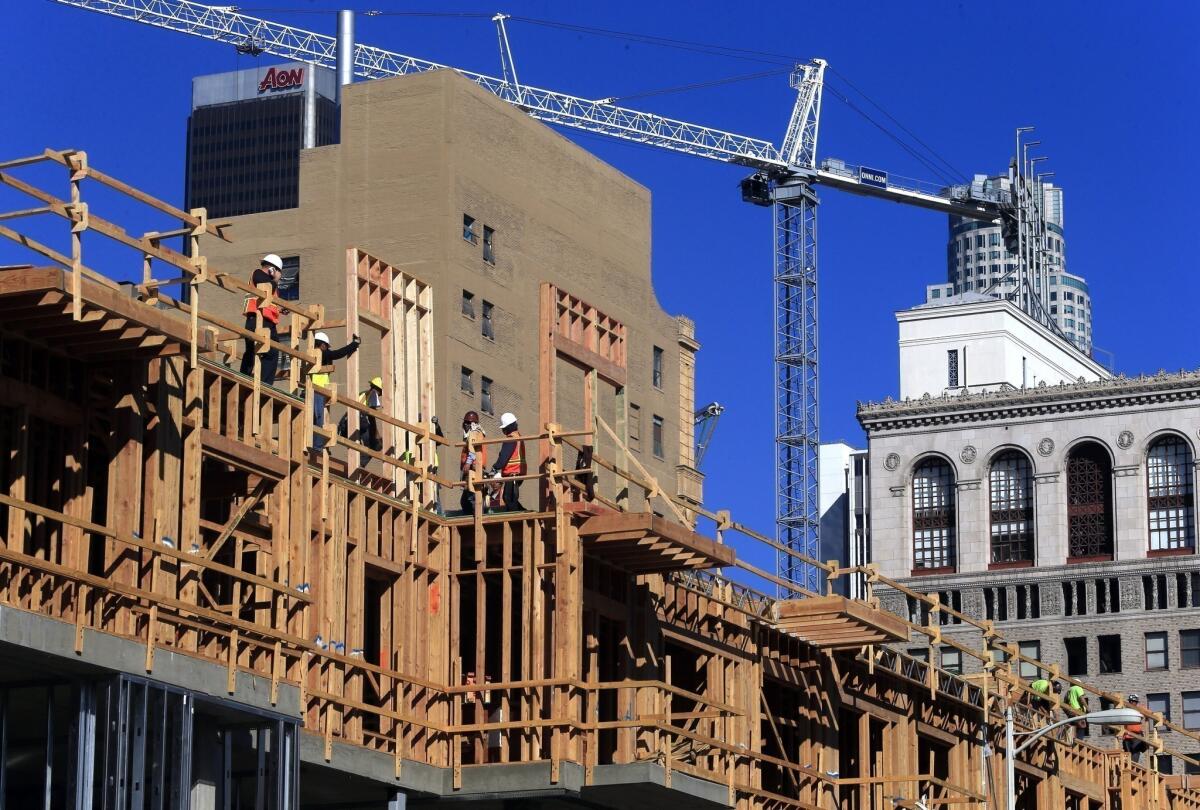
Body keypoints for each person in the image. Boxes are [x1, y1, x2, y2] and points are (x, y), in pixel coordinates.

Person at [309, 331, 360, 451]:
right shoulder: (320, 354)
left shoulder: (313, 355)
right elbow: (338, 353)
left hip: (317, 390)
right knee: (318, 418)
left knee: (316, 418)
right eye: (326, 346)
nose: (327, 349)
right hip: (317, 390)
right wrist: (354, 344)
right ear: (322, 345)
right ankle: (317, 447)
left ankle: (317, 445)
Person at [240, 254, 283, 383]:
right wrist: (275, 279)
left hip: (267, 322)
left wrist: (280, 309)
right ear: (272, 269)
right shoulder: (258, 274)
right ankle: (262, 384)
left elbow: (270, 303)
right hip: (257, 320)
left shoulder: (271, 284)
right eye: (279, 272)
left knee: (268, 352)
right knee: (264, 353)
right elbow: (265, 285)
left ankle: (254, 381)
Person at [489, 412, 526, 512]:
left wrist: (495, 467)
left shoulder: (511, 439)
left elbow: (504, 457)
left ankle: (520, 517)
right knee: (510, 497)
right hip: (517, 472)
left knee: (508, 497)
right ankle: (522, 512)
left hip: (513, 473)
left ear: (507, 427)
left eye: (503, 428)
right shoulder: (518, 436)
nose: (503, 431)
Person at [459, 411, 486, 515]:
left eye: (468, 423)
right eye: (465, 422)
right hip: (472, 469)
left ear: (473, 424)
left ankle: (477, 519)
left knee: (472, 497)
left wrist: (467, 463)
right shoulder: (471, 433)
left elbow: (474, 449)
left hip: (474, 468)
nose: (466, 425)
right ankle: (472, 519)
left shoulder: (475, 433)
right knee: (466, 500)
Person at [357, 376, 384, 468]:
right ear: (379, 389)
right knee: (373, 444)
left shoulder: (364, 393)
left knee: (371, 444)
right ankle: (360, 465)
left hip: (357, 422)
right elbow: (371, 417)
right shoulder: (373, 394)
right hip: (361, 422)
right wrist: (376, 433)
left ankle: (359, 464)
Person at [1122, 694, 1147, 763]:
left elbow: (1148, 712)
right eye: (1130, 701)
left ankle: (1133, 770)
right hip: (1127, 736)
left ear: (1136, 702)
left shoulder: (1139, 709)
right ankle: (1129, 769)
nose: (1132, 703)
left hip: (1136, 736)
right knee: (1127, 757)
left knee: (1135, 756)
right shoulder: (1126, 710)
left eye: (1133, 701)